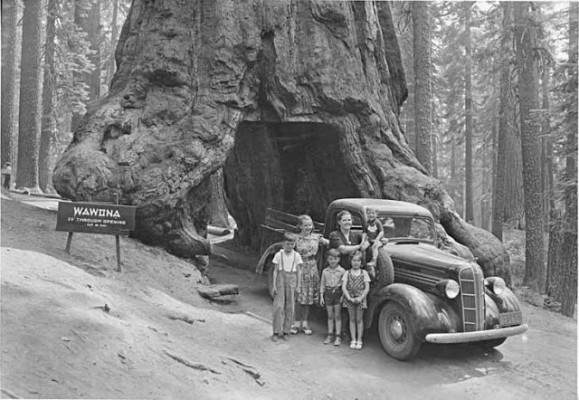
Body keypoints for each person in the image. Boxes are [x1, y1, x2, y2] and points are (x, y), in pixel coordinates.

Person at [291, 215, 329, 335]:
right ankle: (296, 323)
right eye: (305, 225)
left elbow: (330, 243)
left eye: (310, 225)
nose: (308, 227)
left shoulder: (316, 238)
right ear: (300, 226)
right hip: (300, 267)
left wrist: (325, 241)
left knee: (308, 298)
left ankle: (305, 323)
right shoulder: (296, 239)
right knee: (299, 297)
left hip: (312, 268)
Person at [271, 232, 303, 342]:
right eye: (288, 243)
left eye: (292, 244)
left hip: (292, 279)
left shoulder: (297, 256)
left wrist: (299, 286)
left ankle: (286, 331)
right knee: (279, 306)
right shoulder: (279, 255)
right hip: (281, 278)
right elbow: (275, 271)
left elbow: (299, 272)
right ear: (283, 243)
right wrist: (274, 285)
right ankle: (276, 331)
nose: (290, 246)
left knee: (290, 306)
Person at [341, 250, 371, 350]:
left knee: (359, 320)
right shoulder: (347, 273)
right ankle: (353, 339)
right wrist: (349, 297)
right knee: (352, 319)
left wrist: (361, 298)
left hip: (360, 299)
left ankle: (359, 339)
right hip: (350, 299)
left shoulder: (364, 273)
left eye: (358, 261)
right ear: (351, 261)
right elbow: (344, 287)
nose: (356, 262)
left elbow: (367, 288)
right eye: (354, 260)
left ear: (361, 262)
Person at [319, 248, 345, 346]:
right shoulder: (325, 271)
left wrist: (343, 296)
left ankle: (338, 336)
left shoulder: (342, 271)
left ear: (338, 259)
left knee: (337, 315)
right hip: (328, 294)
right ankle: (330, 334)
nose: (332, 261)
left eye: (335, 259)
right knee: (330, 315)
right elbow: (322, 284)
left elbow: (344, 284)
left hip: (337, 293)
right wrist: (321, 296)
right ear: (327, 259)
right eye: (330, 259)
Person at [360, 208, 384, 279]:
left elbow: (381, 232)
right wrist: (362, 241)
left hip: (377, 239)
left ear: (376, 214)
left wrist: (377, 239)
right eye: (369, 213)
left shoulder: (377, 222)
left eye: (373, 213)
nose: (371, 215)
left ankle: (374, 261)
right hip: (369, 239)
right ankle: (363, 262)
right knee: (362, 247)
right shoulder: (367, 223)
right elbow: (364, 232)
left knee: (374, 247)